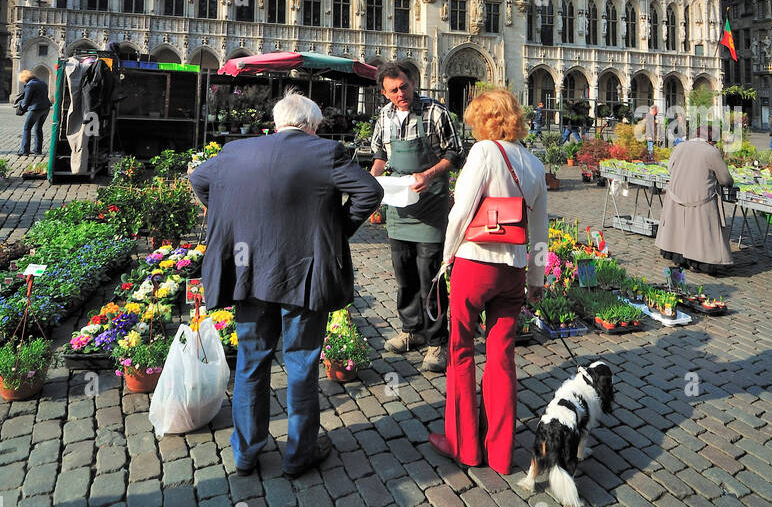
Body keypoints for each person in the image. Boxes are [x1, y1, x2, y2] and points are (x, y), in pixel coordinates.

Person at [189, 91, 382, 477]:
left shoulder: (235, 151)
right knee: (301, 362)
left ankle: (245, 452)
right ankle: (299, 453)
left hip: (247, 269)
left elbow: (198, 179)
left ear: (276, 123)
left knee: (251, 362)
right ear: (311, 124)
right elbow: (370, 191)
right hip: (302, 271)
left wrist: (226, 214)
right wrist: (337, 229)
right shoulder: (324, 151)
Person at [428, 88, 548, 474]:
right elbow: (541, 229)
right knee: (502, 358)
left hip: (474, 264)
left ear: (483, 120)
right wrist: (537, 275)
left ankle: (463, 446)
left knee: (461, 351)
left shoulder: (483, 152)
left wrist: (446, 257)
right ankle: (499, 454)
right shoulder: (533, 163)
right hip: (512, 270)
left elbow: (461, 211)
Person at [370, 62, 463, 373]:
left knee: (430, 278)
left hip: (430, 206)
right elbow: (381, 157)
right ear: (384, 92)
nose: (401, 94)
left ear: (413, 82)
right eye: (393, 90)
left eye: (404, 87)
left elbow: (454, 153)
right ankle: (412, 330)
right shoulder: (384, 115)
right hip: (398, 205)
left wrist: (429, 173)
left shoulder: (434, 112)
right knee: (404, 274)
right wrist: (371, 190)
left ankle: (437, 342)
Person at [656, 124, 733, 276]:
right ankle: (698, 262)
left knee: (679, 230)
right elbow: (724, 178)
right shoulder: (711, 152)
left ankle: (678, 257)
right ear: (710, 139)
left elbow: (670, 168)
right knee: (699, 233)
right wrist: (730, 182)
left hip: (677, 195)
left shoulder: (680, 147)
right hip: (700, 198)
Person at [16, 70, 51, 157]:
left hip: (36, 109)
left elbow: (26, 100)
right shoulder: (43, 82)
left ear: (24, 78)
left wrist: (21, 109)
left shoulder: (30, 85)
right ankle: (37, 150)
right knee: (38, 128)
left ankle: (24, 151)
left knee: (27, 128)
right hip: (46, 108)